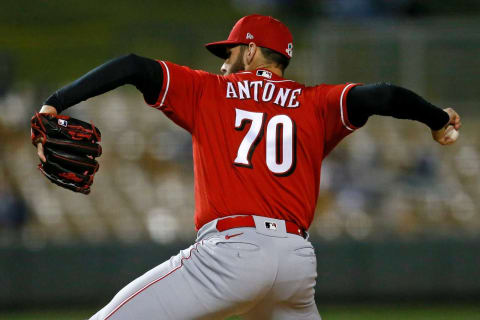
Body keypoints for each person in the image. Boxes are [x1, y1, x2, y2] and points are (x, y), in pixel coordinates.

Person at [35, 14, 460, 320]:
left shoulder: (210, 90)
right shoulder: (317, 103)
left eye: (230, 50)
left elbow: (131, 65)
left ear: (253, 49)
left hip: (230, 255)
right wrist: (437, 120)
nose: (223, 60)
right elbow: (383, 95)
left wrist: (57, 100)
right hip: (295, 264)